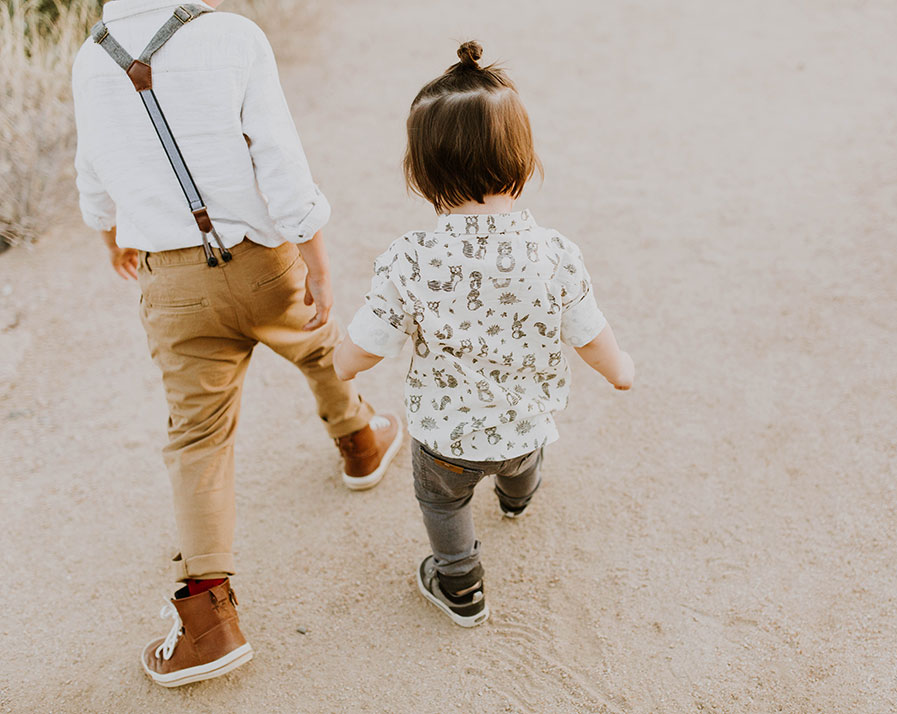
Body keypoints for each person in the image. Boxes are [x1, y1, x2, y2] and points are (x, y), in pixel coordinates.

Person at [72, 0, 402, 686]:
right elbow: (277, 156)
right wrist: (317, 255)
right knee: (314, 340)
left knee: (197, 438)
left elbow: (95, 166)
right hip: (258, 258)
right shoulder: (232, 35)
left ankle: (209, 623)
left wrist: (110, 231)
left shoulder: (89, 56)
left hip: (172, 284)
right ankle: (360, 440)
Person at [333, 41, 634, 628]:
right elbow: (589, 332)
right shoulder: (554, 253)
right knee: (522, 458)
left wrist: (342, 362)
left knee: (441, 502)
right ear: (524, 161)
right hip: (525, 424)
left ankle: (459, 582)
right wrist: (620, 369)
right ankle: (519, 496)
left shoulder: (410, 258)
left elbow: (363, 349)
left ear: (421, 173)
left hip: (445, 438)